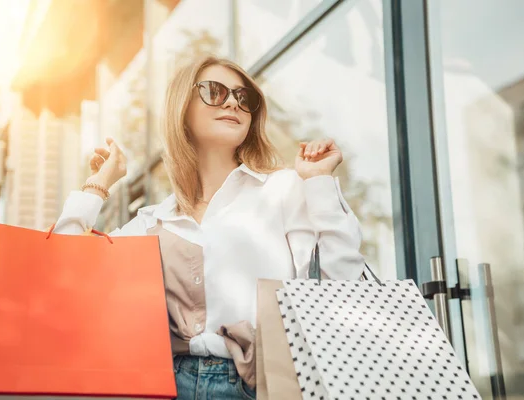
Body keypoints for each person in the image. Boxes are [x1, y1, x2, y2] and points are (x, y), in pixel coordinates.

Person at [53, 55, 365, 400]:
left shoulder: (283, 189)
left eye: (244, 98)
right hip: (165, 387)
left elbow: (342, 286)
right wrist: (100, 182)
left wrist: (319, 182)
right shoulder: (154, 220)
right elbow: (64, 273)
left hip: (263, 385)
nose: (233, 102)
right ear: (182, 109)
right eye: (214, 92)